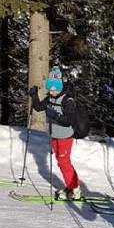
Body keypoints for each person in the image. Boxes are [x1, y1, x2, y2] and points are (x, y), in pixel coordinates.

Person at [28, 67, 81, 200]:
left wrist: (55, 115)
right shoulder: (50, 98)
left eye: (54, 89)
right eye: (49, 89)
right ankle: (70, 186)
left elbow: (68, 121)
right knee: (60, 162)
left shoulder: (67, 100)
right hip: (54, 135)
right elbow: (39, 107)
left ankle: (75, 189)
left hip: (65, 136)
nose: (51, 92)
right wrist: (34, 95)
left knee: (64, 162)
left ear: (60, 87)